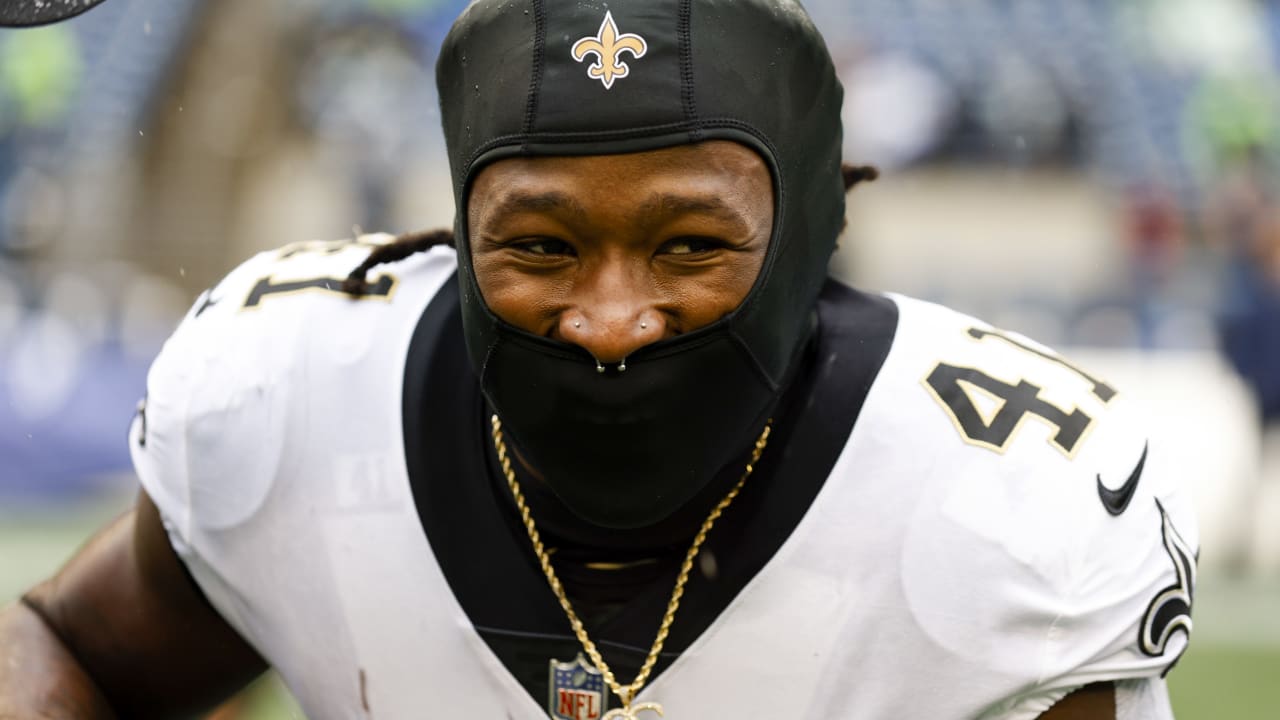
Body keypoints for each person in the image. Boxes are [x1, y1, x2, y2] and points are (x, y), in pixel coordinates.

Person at [0, 1, 1197, 718]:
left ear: (802, 235)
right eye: (540, 244)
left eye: (689, 244)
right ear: (460, 232)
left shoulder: (1000, 500)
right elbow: (76, 648)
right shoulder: (288, 390)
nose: (609, 316)